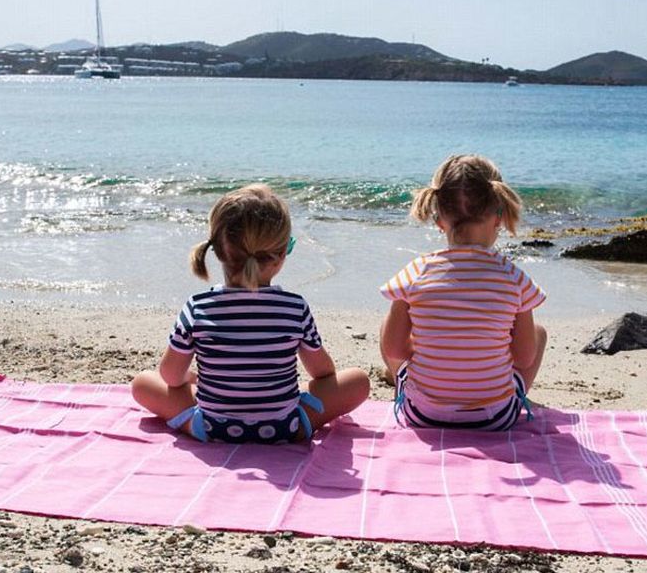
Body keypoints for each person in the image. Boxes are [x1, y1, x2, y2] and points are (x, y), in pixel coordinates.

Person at [132, 184, 370, 443]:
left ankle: (196, 421)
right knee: (357, 380)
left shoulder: (197, 306)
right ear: (281, 255)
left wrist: (195, 378)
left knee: (143, 383)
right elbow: (322, 373)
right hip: (285, 427)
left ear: (217, 250)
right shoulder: (294, 307)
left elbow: (170, 376)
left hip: (213, 427)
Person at [378, 155, 547, 431]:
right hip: (495, 418)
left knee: (390, 325)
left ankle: (404, 378)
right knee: (537, 332)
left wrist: (433, 348)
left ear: (439, 220)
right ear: (499, 217)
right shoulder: (514, 278)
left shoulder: (416, 272)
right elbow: (523, 357)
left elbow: (394, 348)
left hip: (423, 414)